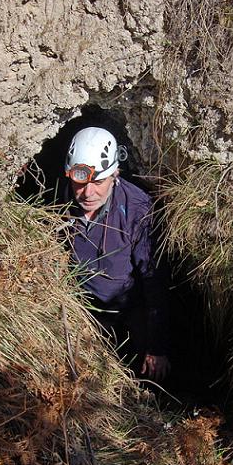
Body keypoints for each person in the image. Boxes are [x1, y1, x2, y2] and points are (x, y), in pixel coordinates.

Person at [63, 126, 170, 382]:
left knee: (150, 374)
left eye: (98, 182)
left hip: (132, 306)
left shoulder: (137, 208)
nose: (88, 193)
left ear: (115, 174)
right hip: (84, 310)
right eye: (80, 182)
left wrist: (157, 347)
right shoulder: (56, 200)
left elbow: (154, 279)